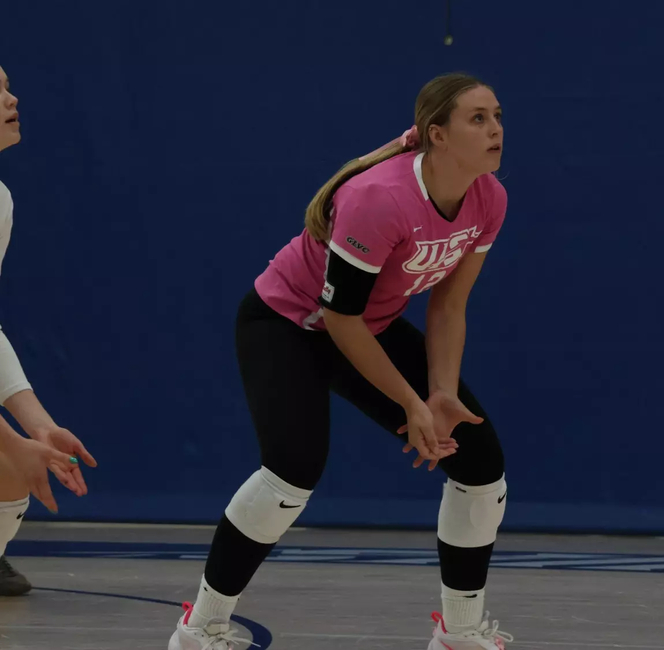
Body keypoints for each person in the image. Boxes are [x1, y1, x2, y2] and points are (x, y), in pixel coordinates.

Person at [169, 72, 513, 650]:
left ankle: (460, 633)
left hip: (364, 327)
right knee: (291, 473)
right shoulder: (380, 198)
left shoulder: (489, 199)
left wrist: (441, 392)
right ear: (438, 135)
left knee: (480, 468)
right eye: (478, 119)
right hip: (286, 324)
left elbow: (450, 304)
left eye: (498, 116)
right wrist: (409, 400)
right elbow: (338, 319)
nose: (496, 129)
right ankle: (200, 629)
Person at [0, 64, 98, 596]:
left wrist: (36, 425)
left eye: (7, 84)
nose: (12, 98)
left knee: (13, 466)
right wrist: (11, 440)